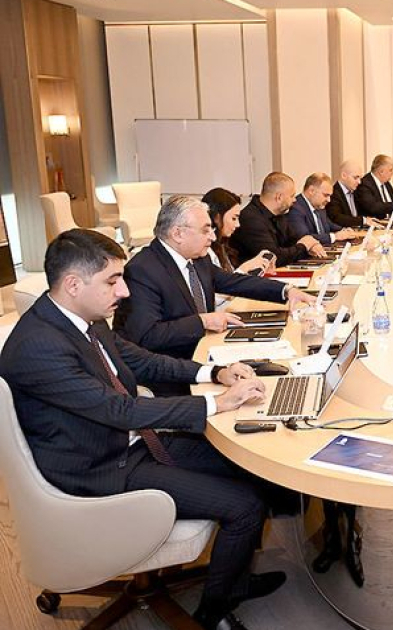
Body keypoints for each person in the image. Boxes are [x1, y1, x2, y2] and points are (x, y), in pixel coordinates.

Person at [0, 229, 288, 630]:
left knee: (249, 467)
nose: (124, 292)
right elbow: (118, 409)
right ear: (73, 284)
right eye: (113, 282)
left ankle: (232, 581)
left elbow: (141, 360)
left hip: (129, 443)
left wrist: (213, 372)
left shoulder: (82, 317)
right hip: (99, 466)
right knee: (244, 506)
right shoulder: (39, 346)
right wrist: (215, 403)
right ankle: (213, 612)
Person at [114, 195, 314, 394]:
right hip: (171, 372)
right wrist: (203, 321)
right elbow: (147, 336)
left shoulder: (197, 258)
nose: (212, 237)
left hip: (206, 354)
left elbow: (234, 282)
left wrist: (286, 290)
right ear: (178, 234)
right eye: (205, 230)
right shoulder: (142, 270)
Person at [230, 172, 327, 266]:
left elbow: (295, 239)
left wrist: (312, 244)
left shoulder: (279, 214)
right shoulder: (251, 219)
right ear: (279, 197)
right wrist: (304, 247)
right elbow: (274, 257)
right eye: (292, 196)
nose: (295, 200)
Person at [201, 187, 274, 275]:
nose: (238, 224)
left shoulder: (222, 247)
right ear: (217, 217)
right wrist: (246, 267)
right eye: (234, 218)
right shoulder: (205, 251)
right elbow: (223, 282)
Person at [288, 173, 359, 245]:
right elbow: (305, 238)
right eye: (326, 195)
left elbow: (328, 224)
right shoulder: (296, 208)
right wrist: (335, 236)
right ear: (311, 191)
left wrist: (344, 230)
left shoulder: (319, 205)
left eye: (330, 196)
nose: (329, 200)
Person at [354, 154, 393, 220]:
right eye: (390, 170)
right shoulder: (364, 184)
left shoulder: (386, 183)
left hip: (389, 223)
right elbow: (374, 207)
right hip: (374, 224)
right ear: (381, 171)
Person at [327, 160, 381, 229]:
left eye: (360, 178)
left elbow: (360, 213)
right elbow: (337, 218)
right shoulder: (333, 193)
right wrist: (363, 220)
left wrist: (368, 219)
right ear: (344, 176)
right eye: (355, 178)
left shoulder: (355, 190)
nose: (359, 182)